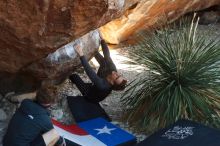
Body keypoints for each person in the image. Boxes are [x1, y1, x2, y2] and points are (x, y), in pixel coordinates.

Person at [69, 35, 127, 103]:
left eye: (117, 77)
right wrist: (102, 40)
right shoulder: (113, 69)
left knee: (74, 76)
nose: (117, 73)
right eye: (119, 75)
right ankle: (93, 52)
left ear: (112, 82)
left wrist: (81, 53)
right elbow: (107, 55)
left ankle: (72, 80)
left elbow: (89, 71)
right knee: (104, 62)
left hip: (90, 95)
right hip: (96, 85)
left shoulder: (103, 86)